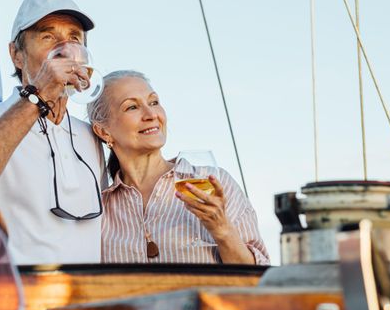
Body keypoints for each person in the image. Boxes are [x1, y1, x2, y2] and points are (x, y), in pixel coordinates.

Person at [0, 0, 105, 265]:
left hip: (84, 300)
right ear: (16, 54)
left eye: (74, 38)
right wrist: (37, 97)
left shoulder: (92, 137)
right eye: (48, 37)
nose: (65, 48)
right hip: (10, 299)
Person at [87, 70, 269, 264]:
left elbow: (259, 278)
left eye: (154, 102)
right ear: (103, 131)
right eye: (132, 107)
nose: (151, 115)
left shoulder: (211, 183)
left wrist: (221, 229)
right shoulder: (98, 209)